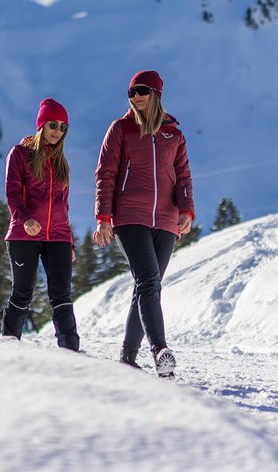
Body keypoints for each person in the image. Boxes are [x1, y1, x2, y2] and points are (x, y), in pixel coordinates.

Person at [93, 71, 194, 376]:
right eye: (131, 93)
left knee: (148, 286)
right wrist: (103, 216)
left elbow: (184, 177)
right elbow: (105, 173)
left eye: (140, 91)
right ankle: (159, 350)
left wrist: (187, 210)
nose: (134, 97)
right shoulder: (121, 129)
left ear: (156, 93)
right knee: (148, 280)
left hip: (165, 219)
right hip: (129, 216)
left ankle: (127, 355)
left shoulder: (173, 134)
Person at [1, 98, 80, 351]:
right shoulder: (20, 154)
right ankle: (8, 347)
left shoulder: (61, 164)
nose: (57, 131)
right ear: (42, 125)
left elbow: (63, 207)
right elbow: (12, 193)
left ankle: (71, 352)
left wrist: (70, 242)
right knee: (23, 293)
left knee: (62, 295)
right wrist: (26, 219)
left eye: (63, 128)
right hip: (24, 235)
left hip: (57, 235)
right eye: (53, 125)